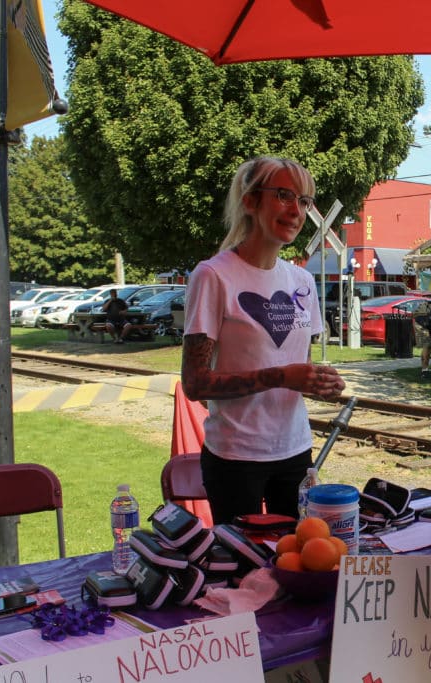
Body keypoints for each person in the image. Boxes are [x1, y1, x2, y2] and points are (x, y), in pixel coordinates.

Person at [181, 156, 345, 525]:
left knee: (296, 563)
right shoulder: (213, 276)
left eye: (304, 201)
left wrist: (319, 382)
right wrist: (282, 376)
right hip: (235, 458)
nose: (297, 211)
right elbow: (194, 384)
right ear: (251, 201)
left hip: (295, 451)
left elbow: (293, 366)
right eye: (284, 195)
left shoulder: (302, 282)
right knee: (243, 571)